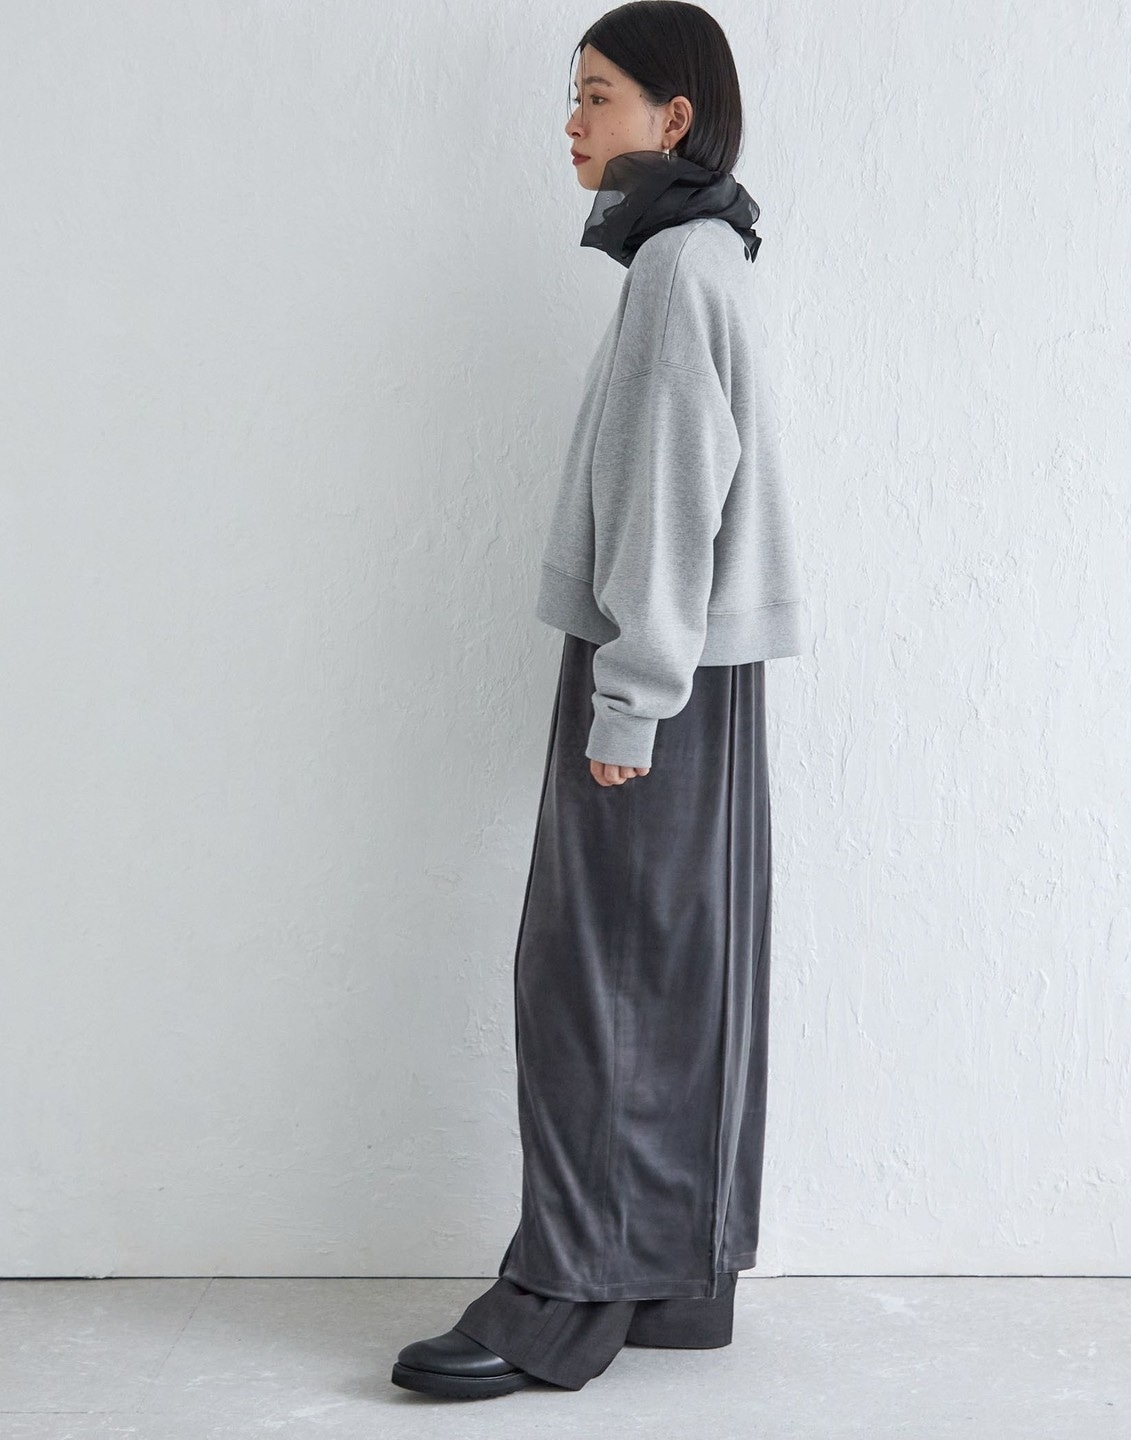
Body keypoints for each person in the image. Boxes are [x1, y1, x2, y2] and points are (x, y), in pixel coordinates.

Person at [392, 0, 805, 1400]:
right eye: (573, 94)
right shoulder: (709, 254)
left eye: (598, 94)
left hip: (655, 670)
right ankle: (677, 1278)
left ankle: (565, 1294)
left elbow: (668, 499)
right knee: (676, 980)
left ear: (673, 119)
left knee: (591, 984)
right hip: (705, 675)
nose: (572, 121)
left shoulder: (676, 270)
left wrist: (628, 700)